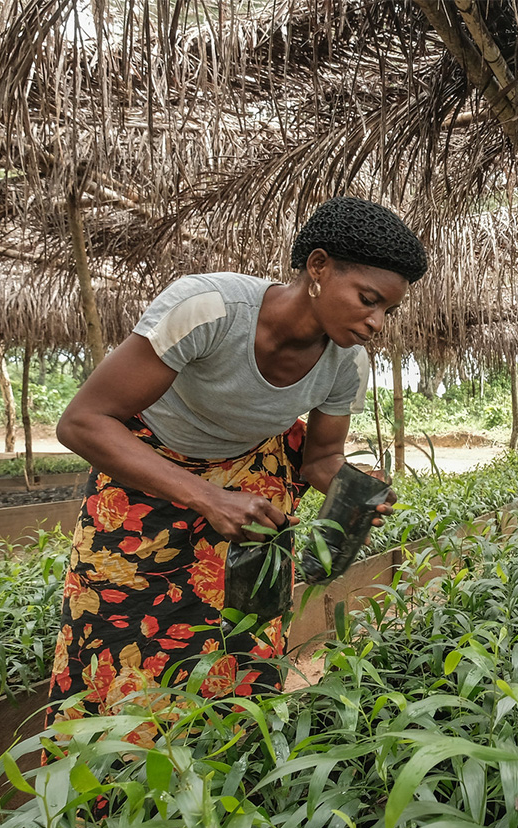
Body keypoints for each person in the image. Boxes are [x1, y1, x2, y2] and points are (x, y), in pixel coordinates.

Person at [49, 196, 427, 746]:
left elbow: (320, 459)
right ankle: (111, 791)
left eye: (387, 311)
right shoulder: (210, 309)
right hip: (146, 473)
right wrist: (208, 497)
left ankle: (228, 769)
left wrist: (355, 490)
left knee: (240, 637)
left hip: (253, 479)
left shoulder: (345, 364)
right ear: (317, 267)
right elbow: (83, 423)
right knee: (119, 630)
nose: (376, 323)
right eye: (369, 300)